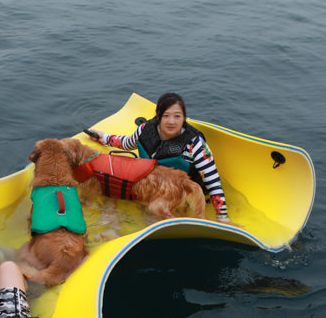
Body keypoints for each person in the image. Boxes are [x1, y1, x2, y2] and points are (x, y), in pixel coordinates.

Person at [85, 92, 230, 222]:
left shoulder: (196, 145)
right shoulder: (145, 129)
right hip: (153, 188)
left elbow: (214, 184)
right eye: (166, 116)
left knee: (152, 214)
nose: (172, 122)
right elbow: (127, 143)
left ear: (184, 118)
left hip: (182, 194)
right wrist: (104, 137)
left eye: (177, 116)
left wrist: (223, 219)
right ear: (158, 116)